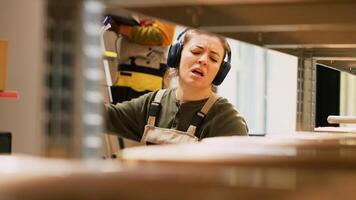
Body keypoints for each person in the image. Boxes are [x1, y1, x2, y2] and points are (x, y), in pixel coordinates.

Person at [104, 28, 248, 144]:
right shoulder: (154, 102)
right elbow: (104, 116)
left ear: (220, 72)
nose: (203, 60)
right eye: (196, 52)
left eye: (213, 58)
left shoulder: (228, 120)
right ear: (176, 55)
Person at [107, 15, 176, 103]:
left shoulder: (166, 7)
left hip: (146, 81)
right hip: (124, 76)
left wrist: (121, 28)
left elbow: (161, 35)